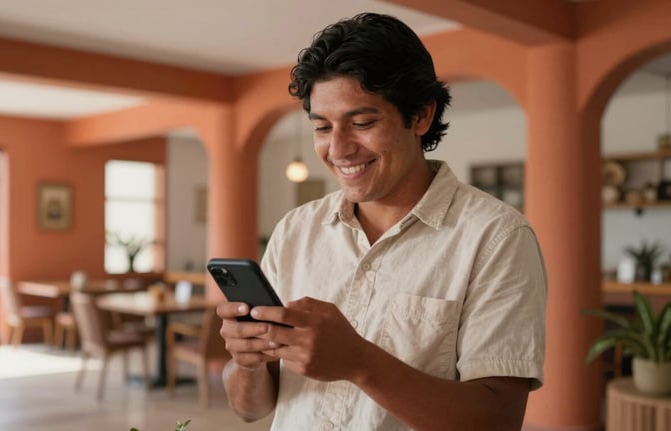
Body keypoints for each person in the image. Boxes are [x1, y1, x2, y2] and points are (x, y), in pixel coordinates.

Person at [216, 12, 547, 431]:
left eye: (362, 123)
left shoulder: (496, 237)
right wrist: (247, 364)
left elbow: (497, 420)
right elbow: (251, 408)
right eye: (322, 127)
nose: (338, 149)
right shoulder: (295, 231)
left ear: (421, 116)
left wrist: (360, 362)